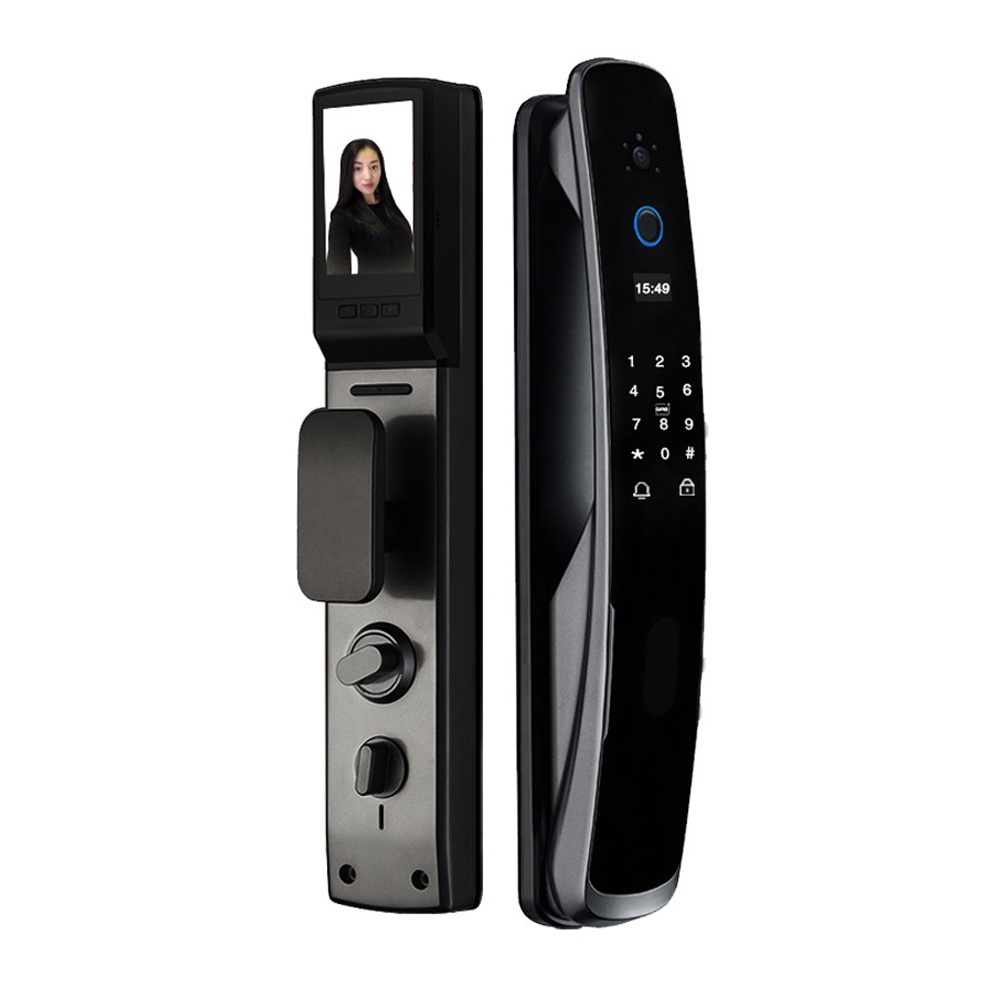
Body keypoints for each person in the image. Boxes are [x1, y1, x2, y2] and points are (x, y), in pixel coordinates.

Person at [327, 138, 414, 275]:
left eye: (373, 167)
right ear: (348, 172)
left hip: (410, 286)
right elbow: (336, 273)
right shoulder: (342, 215)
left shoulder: (388, 205)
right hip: (378, 288)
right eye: (358, 168)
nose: (368, 176)